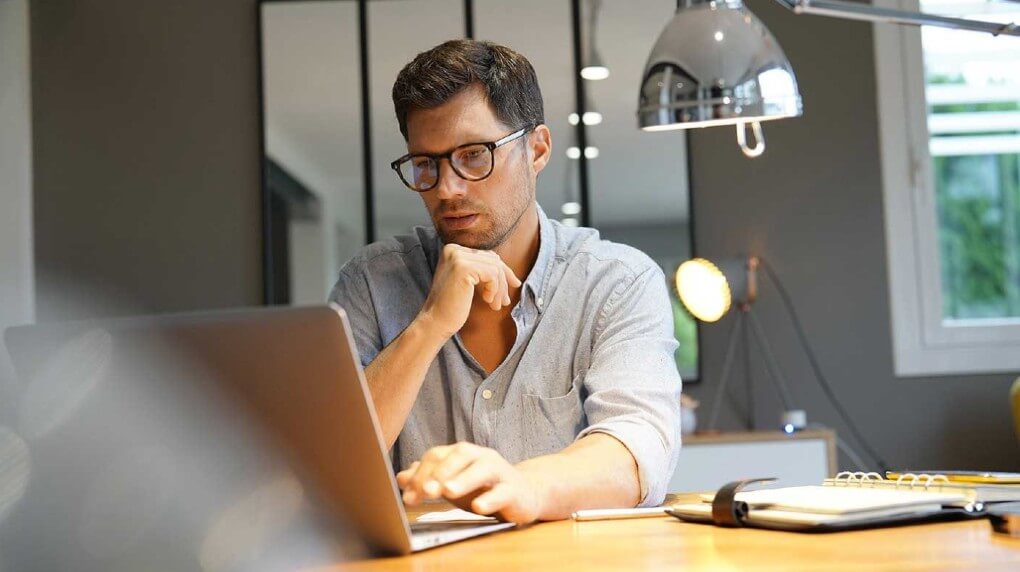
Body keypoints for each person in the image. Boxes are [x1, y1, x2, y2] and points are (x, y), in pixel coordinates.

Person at [329, 39, 681, 524]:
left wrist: (525, 486)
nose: (447, 189)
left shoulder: (617, 282)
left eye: (474, 155)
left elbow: (639, 448)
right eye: (426, 165)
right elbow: (333, 466)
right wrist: (429, 324)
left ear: (537, 150)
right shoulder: (370, 282)